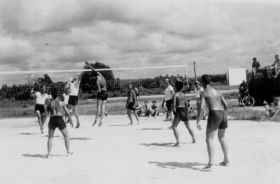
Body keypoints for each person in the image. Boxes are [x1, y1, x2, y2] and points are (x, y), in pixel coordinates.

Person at [197, 75, 229, 170]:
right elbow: (226, 104)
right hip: (223, 113)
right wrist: (224, 115)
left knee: (209, 139)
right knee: (222, 137)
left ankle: (211, 162)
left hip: (214, 113)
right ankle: (226, 159)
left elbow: (202, 107)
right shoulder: (217, 91)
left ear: (202, 82)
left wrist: (198, 120)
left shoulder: (204, 92)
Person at [46, 87, 73, 158]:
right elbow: (67, 112)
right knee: (66, 136)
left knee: (50, 137)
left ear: (52, 95)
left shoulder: (50, 103)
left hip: (52, 119)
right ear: (58, 94)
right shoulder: (62, 103)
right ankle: (68, 152)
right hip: (59, 119)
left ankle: (49, 154)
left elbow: (47, 114)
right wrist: (71, 120)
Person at [172, 80, 196, 147]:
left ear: (176, 87)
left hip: (179, 110)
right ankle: (194, 139)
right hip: (184, 110)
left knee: (174, 126)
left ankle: (178, 142)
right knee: (188, 126)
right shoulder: (183, 94)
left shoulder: (175, 95)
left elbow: (174, 105)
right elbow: (186, 104)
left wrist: (174, 112)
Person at [84, 61, 108, 127]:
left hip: (101, 92)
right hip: (105, 92)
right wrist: (90, 66)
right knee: (103, 107)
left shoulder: (97, 81)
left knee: (98, 107)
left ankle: (96, 120)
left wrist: (98, 94)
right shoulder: (101, 75)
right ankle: (101, 120)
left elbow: (99, 90)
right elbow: (95, 70)